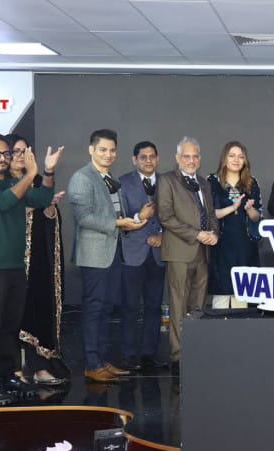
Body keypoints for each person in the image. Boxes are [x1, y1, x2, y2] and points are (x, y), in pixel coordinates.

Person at [0, 133, 58, 405]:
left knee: (9, 327)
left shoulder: (13, 183)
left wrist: (48, 172)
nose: (3, 158)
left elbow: (43, 197)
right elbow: (3, 202)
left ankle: (6, 376)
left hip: (15, 267)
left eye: (6, 153)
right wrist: (30, 174)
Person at [69, 129, 150, 383]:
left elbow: (117, 215)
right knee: (94, 308)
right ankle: (92, 364)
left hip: (114, 251)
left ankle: (102, 361)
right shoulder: (82, 177)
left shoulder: (110, 178)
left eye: (112, 150)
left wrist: (134, 220)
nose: (108, 154)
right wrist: (118, 223)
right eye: (103, 149)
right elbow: (84, 218)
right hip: (94, 254)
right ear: (91, 150)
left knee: (106, 308)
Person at [6, 134, 70, 386]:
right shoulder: (1, 185)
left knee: (39, 309)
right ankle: (13, 370)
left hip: (38, 261)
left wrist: (49, 207)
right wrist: (23, 210)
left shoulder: (37, 184)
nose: (21, 156)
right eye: (16, 151)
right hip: (9, 262)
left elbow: (51, 220)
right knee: (11, 316)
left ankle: (40, 367)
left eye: (25, 151)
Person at [156, 136, 219, 376]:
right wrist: (197, 234)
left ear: (199, 158)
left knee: (198, 305)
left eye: (195, 156)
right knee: (178, 304)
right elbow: (165, 217)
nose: (191, 160)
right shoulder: (167, 180)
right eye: (186, 156)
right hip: (179, 252)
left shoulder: (203, 183)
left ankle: (195, 351)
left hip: (203, 253)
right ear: (177, 158)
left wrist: (213, 234)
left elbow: (210, 214)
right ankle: (178, 356)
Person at [118, 141, 169, 373]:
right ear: (134, 160)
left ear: (157, 159)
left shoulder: (168, 182)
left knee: (154, 306)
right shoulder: (122, 182)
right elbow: (119, 218)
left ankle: (150, 354)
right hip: (133, 252)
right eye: (143, 157)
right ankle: (128, 355)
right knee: (129, 306)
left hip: (158, 253)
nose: (148, 160)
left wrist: (163, 233)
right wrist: (139, 216)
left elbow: (175, 214)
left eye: (152, 156)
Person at [207, 141, 262, 308]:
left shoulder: (252, 182)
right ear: (224, 158)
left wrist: (250, 209)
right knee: (221, 298)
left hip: (245, 246)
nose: (236, 160)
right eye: (232, 156)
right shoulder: (212, 182)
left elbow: (257, 217)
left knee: (242, 297)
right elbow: (208, 214)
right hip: (221, 245)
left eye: (240, 157)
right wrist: (232, 208)